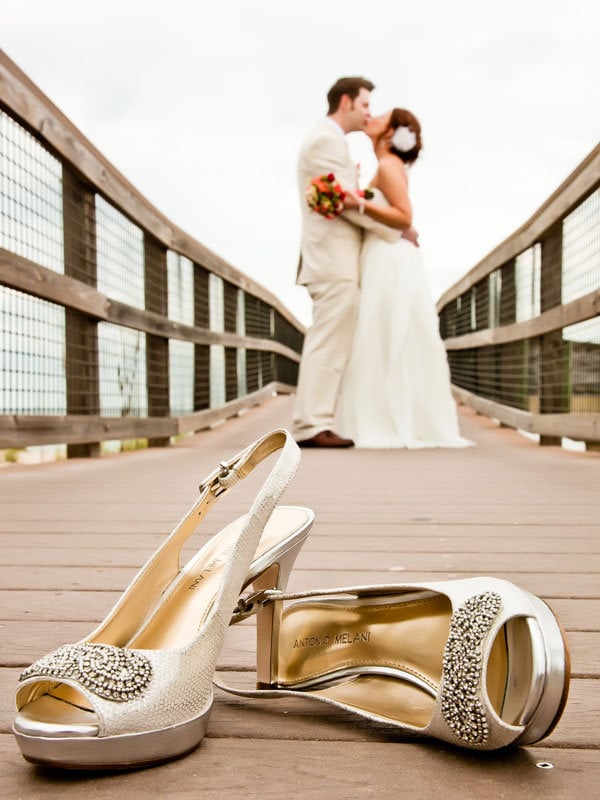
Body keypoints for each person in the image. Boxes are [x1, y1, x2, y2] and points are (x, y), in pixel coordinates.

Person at [338, 108, 474, 448]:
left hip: (391, 259)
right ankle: (392, 415)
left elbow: (403, 216)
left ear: (391, 132)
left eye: (382, 115)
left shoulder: (387, 166)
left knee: (388, 331)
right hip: (386, 254)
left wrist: (355, 202)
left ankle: (388, 419)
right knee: (387, 332)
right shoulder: (387, 166)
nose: (373, 115)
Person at [293, 77, 416, 448]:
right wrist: (396, 231)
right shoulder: (325, 141)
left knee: (331, 339)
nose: (368, 114)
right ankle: (311, 424)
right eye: (365, 105)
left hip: (334, 258)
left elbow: (348, 199)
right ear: (345, 102)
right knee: (328, 341)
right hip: (332, 258)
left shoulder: (330, 141)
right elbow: (342, 204)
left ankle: (317, 420)